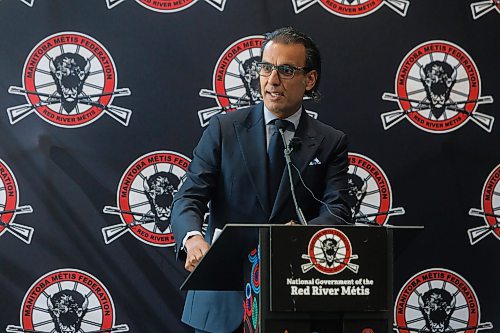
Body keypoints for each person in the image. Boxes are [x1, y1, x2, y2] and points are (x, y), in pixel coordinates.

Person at [171, 26, 351, 333]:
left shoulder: (330, 142)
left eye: (286, 70)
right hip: (221, 305)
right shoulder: (223, 129)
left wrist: (302, 236)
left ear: (310, 79)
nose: (272, 80)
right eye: (266, 68)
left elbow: (338, 211)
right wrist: (192, 239)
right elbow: (189, 197)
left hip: (295, 300)